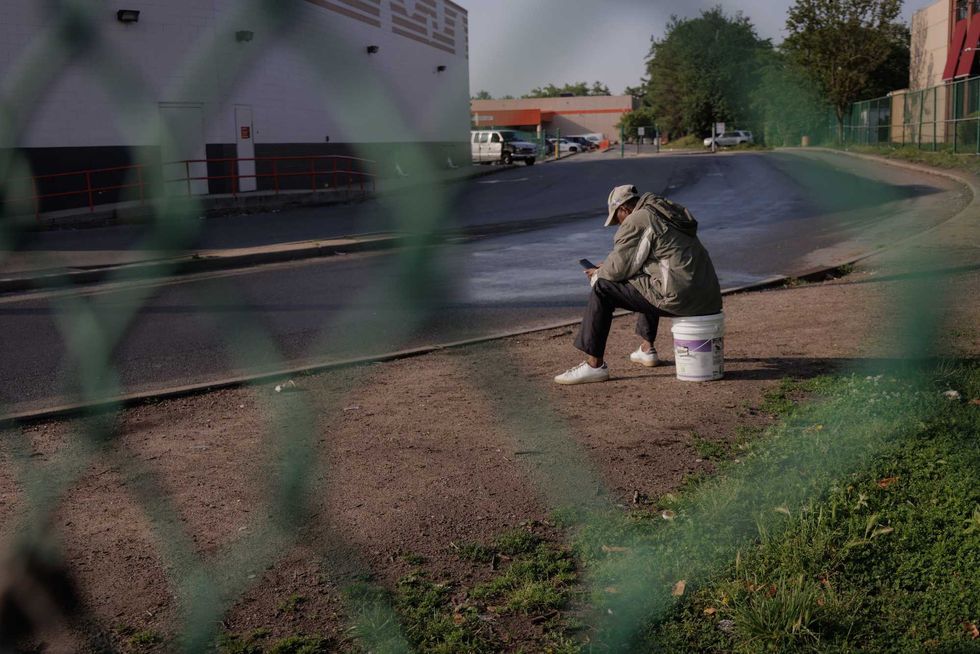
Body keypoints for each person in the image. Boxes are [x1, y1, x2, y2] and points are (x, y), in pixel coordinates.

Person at [554, 184, 722, 385]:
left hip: (680, 298)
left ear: (623, 209)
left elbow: (617, 270)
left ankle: (594, 366)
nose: (619, 224)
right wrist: (607, 265)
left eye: (617, 219)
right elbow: (645, 259)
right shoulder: (665, 213)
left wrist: (597, 274)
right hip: (708, 297)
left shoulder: (638, 219)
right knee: (646, 278)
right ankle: (646, 348)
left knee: (603, 288)